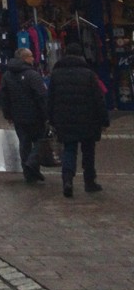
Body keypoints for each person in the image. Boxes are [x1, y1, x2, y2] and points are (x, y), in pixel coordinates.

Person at [47, 42, 109, 197]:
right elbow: (98, 99)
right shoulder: (89, 74)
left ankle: (67, 179)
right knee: (88, 151)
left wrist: (51, 119)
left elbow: (50, 99)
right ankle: (89, 181)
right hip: (88, 119)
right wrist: (104, 120)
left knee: (69, 150)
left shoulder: (56, 74)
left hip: (64, 119)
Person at [0, 47, 48, 184]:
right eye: (31, 56)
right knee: (40, 141)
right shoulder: (32, 75)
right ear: (25, 58)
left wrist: (8, 114)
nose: (33, 59)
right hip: (35, 115)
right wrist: (46, 114)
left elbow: (4, 97)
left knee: (24, 143)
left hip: (17, 116)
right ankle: (32, 165)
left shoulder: (7, 75)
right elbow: (41, 96)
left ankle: (30, 174)